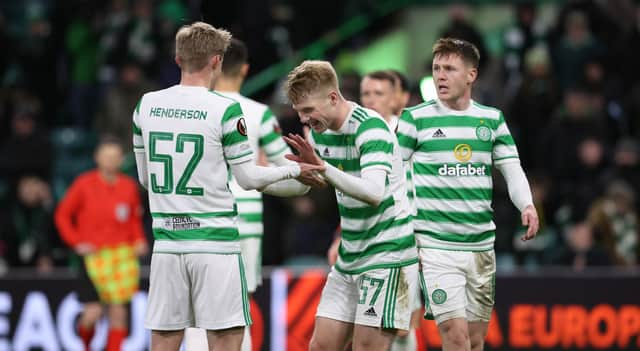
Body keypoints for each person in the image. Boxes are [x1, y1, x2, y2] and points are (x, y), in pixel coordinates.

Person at [133, 22, 320, 351]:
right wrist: (293, 173)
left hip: (167, 245)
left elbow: (146, 180)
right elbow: (248, 178)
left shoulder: (145, 105)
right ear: (217, 61)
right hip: (215, 244)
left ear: (178, 59)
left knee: (164, 340)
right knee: (226, 340)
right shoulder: (225, 109)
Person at [396, 38, 539, 351]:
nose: (440, 76)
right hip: (435, 247)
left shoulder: (491, 120)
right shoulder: (415, 119)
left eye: (449, 68)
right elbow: (391, 174)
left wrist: (526, 205)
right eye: (436, 69)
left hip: (480, 247)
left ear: (471, 75)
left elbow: (511, 169)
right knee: (455, 335)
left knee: (475, 341)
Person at [283, 60, 419, 351]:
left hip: (387, 256)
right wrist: (255, 176)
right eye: (300, 113)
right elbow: (307, 182)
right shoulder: (320, 133)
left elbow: (373, 192)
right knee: (320, 346)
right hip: (349, 259)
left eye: (308, 110)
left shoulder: (371, 129)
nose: (305, 120)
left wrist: (322, 168)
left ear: (333, 97)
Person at [183, 38, 302, 351]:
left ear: (214, 65)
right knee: (240, 307)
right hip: (244, 221)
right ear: (246, 69)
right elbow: (292, 176)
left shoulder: (190, 111)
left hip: (198, 219)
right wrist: (263, 177)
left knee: (198, 310)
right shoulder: (259, 114)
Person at [55, 136, 149, 351]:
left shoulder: (128, 186)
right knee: (92, 313)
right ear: (97, 158)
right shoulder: (84, 184)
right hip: (92, 258)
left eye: (115, 157)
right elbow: (62, 215)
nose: (111, 161)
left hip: (121, 258)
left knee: (119, 314)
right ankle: (86, 346)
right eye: (107, 156)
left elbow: (133, 219)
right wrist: (76, 242)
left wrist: (138, 239)